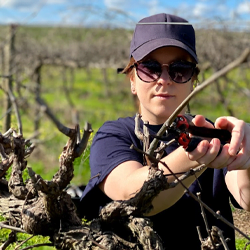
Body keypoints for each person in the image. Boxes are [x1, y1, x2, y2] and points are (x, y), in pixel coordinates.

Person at [80, 13, 250, 249]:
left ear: (194, 81)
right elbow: (132, 197)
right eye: (150, 68)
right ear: (132, 79)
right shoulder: (114, 136)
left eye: (180, 69)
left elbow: (246, 197)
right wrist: (193, 155)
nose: (164, 79)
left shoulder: (210, 132)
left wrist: (246, 157)